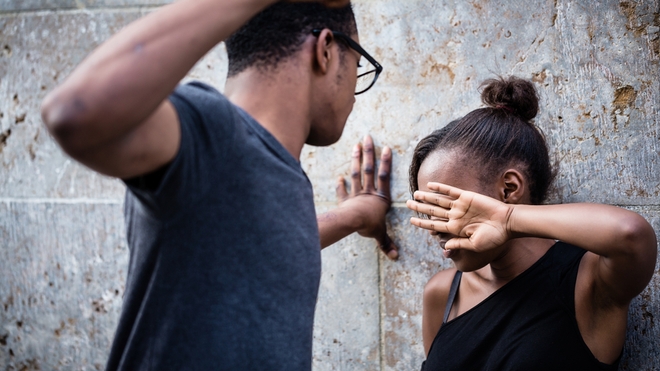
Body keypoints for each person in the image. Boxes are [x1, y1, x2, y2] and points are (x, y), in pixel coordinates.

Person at [40, 0, 398, 369]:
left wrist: (354, 215)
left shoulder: (266, 162)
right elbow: (75, 111)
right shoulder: (211, 128)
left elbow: (248, 240)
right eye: (358, 66)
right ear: (325, 51)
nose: (355, 94)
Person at [406, 76, 657, 370]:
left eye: (447, 206)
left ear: (510, 189)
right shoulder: (442, 293)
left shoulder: (586, 284)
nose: (435, 227)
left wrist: (508, 218)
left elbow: (631, 234)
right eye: (428, 211)